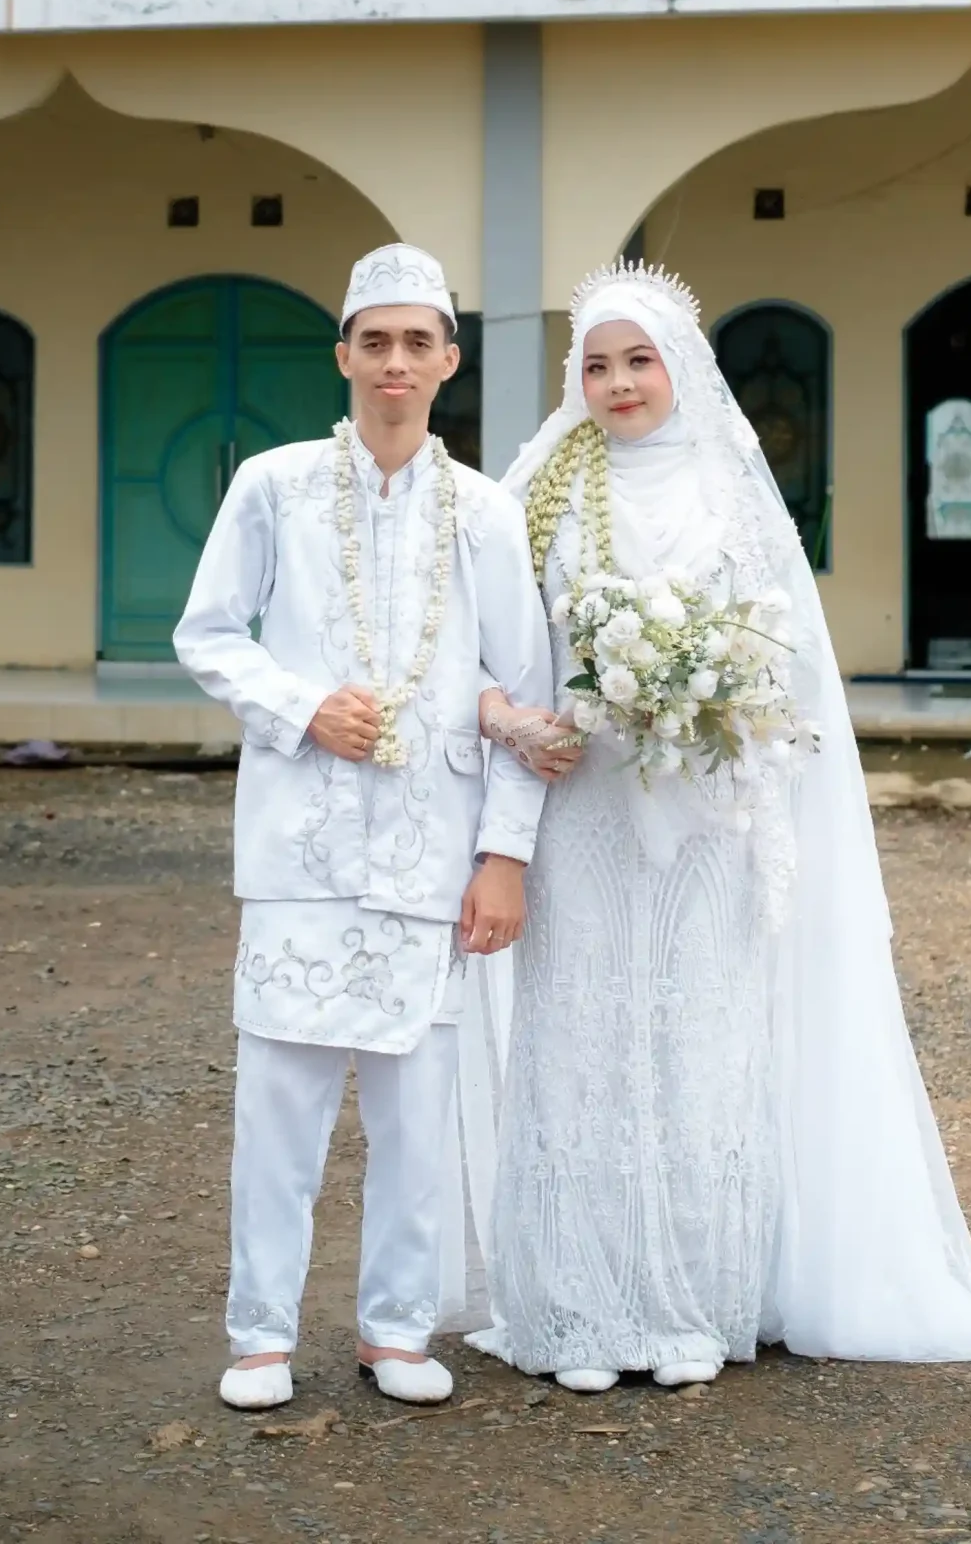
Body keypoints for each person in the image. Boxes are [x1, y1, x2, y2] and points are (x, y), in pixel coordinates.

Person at [467, 260, 971, 1391]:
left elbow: (784, 657)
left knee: (695, 1046)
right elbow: (495, 641)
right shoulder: (540, 490)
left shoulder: (728, 487)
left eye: (639, 361)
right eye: (596, 365)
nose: (618, 383)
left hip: (706, 816)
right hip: (582, 808)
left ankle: (687, 1303)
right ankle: (577, 1309)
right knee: (581, 1045)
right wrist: (527, 724)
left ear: (682, 369)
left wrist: (707, 700)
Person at [174, 242, 556, 1413]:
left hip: (431, 857)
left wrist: (503, 856)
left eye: (416, 342)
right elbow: (206, 632)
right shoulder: (274, 486)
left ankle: (394, 1330)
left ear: (448, 361)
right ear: (343, 354)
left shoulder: (485, 513)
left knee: (415, 1119)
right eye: (375, 340)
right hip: (296, 849)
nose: (395, 361)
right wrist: (301, 705)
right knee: (277, 1114)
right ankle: (258, 1335)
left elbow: (524, 690)